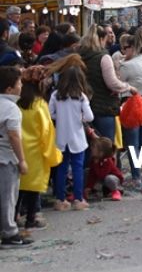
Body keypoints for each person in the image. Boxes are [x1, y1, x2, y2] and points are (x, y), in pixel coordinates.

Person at [16, 65, 61, 230]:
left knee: (18, 189)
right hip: (35, 152)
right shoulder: (39, 104)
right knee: (33, 188)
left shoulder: (17, 103)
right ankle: (31, 218)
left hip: (17, 149)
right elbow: (46, 131)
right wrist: (52, 153)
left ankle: (14, 217)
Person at [79, 24, 135, 144]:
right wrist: (128, 87)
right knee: (106, 144)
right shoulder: (103, 57)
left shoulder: (80, 55)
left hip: (83, 107)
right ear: (101, 39)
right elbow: (112, 83)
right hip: (103, 107)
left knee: (89, 146)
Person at [50, 66, 94, 211]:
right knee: (77, 168)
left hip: (61, 136)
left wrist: (60, 117)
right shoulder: (81, 96)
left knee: (61, 169)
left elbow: (50, 114)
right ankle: (78, 198)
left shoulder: (56, 95)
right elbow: (89, 117)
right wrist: (80, 118)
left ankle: (60, 198)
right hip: (77, 137)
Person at [0, 66, 33, 248]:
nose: (21, 86)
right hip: (6, 158)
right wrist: (21, 160)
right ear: (9, 89)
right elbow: (13, 135)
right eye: (19, 83)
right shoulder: (11, 108)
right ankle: (9, 233)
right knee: (7, 197)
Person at [118, 31, 142, 184]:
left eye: (125, 48)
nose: (123, 51)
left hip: (131, 103)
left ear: (132, 48)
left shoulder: (126, 65)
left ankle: (136, 176)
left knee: (133, 143)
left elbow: (119, 84)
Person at [84, 137, 123, 201]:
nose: (91, 149)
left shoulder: (108, 161)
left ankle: (116, 191)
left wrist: (96, 164)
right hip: (101, 178)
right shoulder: (94, 159)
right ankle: (83, 192)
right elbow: (92, 173)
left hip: (111, 179)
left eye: (94, 148)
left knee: (109, 178)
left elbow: (102, 175)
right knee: (86, 172)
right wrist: (89, 187)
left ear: (101, 152)